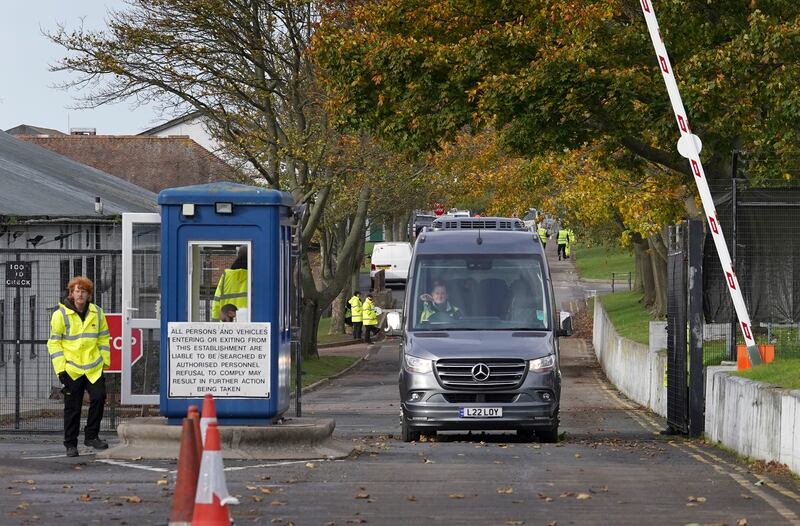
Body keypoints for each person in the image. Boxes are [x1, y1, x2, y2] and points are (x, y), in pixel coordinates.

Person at [47, 276, 111, 457]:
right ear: (72, 294)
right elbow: (54, 343)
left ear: (89, 295)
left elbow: (103, 338)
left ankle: (91, 436)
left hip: (93, 367)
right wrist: (61, 369)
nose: (80, 294)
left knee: (99, 397)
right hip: (72, 368)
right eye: (77, 291)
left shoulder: (97, 313)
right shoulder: (60, 315)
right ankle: (70, 444)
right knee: (72, 407)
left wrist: (104, 361)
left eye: (84, 291)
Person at [211, 245, 248, 321]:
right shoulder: (253, 276)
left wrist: (214, 322)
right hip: (248, 323)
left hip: (227, 323)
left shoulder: (226, 275)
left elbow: (216, 302)